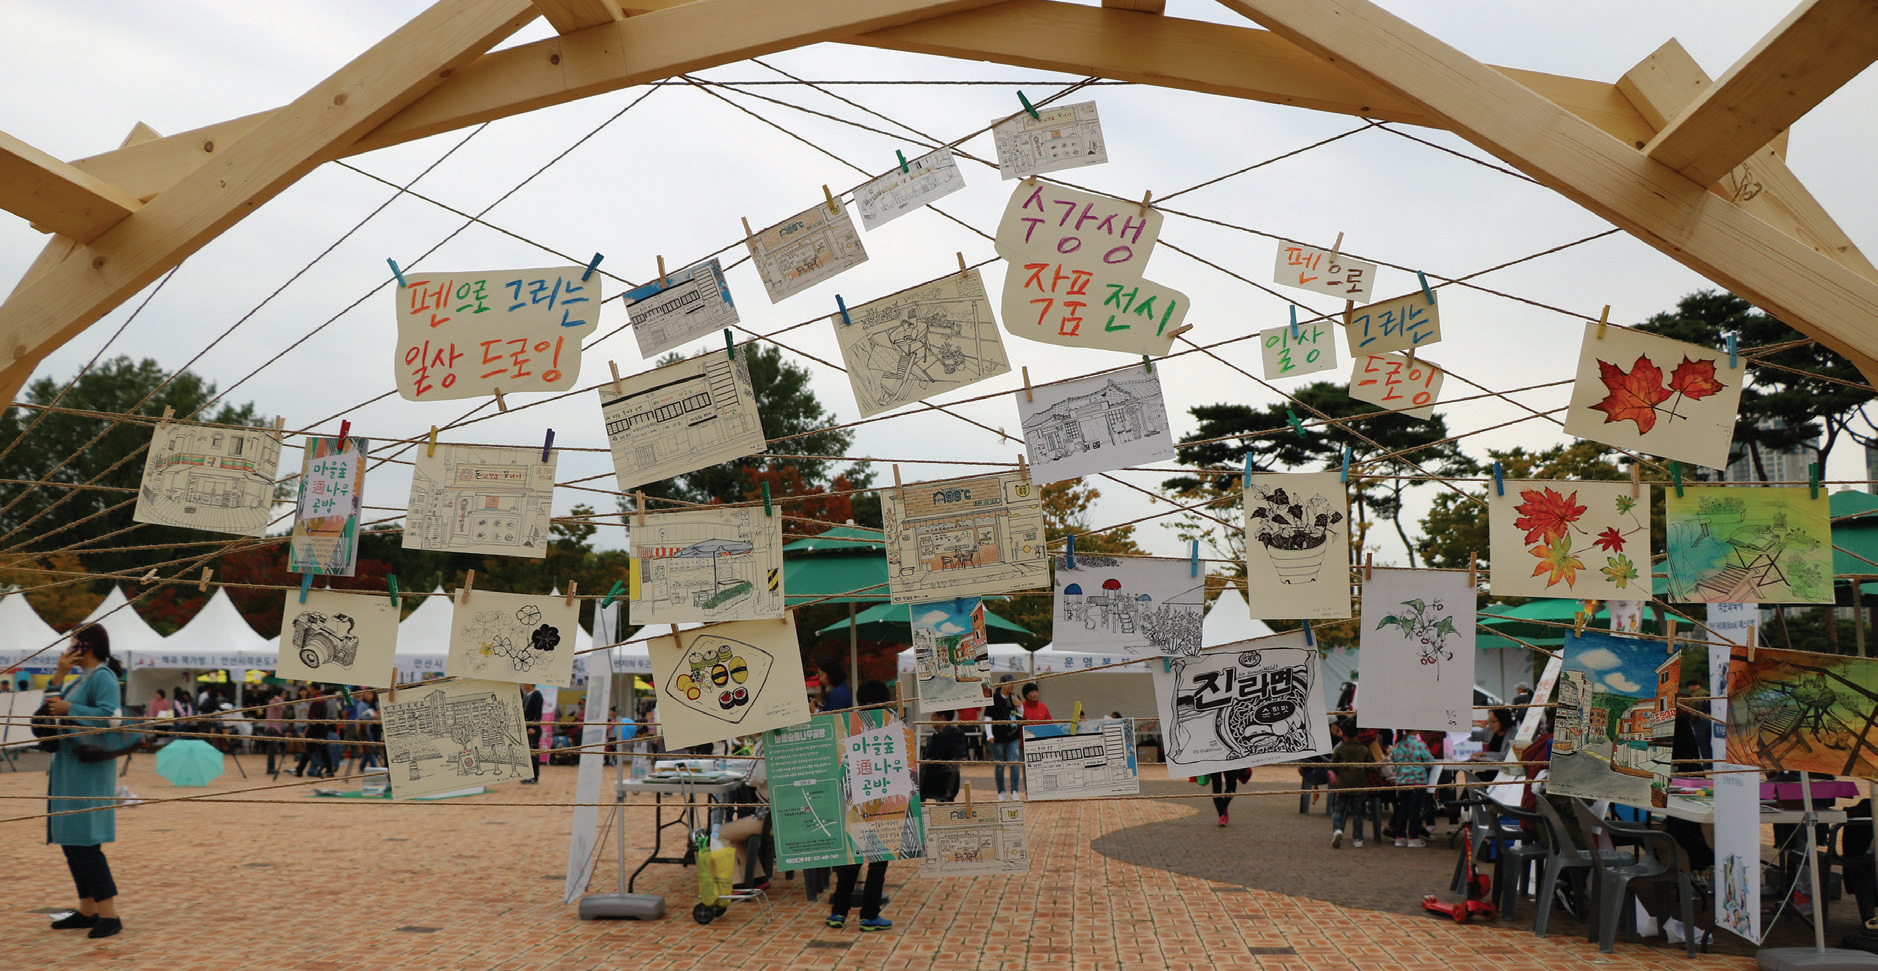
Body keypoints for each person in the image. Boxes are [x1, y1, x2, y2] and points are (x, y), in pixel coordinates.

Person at [43, 625, 126, 938]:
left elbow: (110, 718)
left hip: (88, 770)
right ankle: (87, 909)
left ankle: (109, 914)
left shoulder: (103, 677)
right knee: (71, 840)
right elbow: (49, 710)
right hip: (68, 767)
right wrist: (57, 678)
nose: (68, 648)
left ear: (86, 646)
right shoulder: (79, 679)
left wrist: (71, 708)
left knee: (86, 842)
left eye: (73, 643)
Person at [827, 680, 895, 932]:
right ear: (884, 700)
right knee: (878, 862)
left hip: (853, 804)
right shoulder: (891, 725)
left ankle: (838, 913)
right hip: (882, 806)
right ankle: (869, 915)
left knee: (851, 861)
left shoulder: (848, 726)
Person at [1329, 718, 1372, 848]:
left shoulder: (1340, 748)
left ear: (1343, 733)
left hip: (1343, 784)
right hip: (1359, 785)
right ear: (1358, 732)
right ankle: (1358, 839)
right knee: (1357, 813)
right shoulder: (1364, 749)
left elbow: (1333, 765)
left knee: (1338, 810)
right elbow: (1369, 766)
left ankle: (1337, 830)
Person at [1388, 729, 1435, 847]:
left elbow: (1393, 759)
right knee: (1415, 810)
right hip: (1418, 782)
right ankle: (1413, 837)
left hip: (1402, 781)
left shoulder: (1397, 745)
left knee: (1403, 809)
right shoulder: (1420, 745)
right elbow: (1429, 761)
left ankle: (1400, 836)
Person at [986, 677, 1022, 800]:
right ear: (1001, 684)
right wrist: (989, 734)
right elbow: (988, 718)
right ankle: (1001, 791)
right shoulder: (994, 698)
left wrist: (1020, 706)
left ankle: (1014, 791)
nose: (1012, 685)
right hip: (997, 738)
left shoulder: (1015, 697)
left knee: (1015, 763)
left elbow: (1020, 717)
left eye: (1013, 683)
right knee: (999, 765)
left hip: (1013, 736)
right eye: (1009, 683)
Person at [919, 710, 966, 802]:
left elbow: (932, 757)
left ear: (942, 718)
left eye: (933, 716)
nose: (931, 720)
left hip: (937, 780)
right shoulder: (956, 734)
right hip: (948, 782)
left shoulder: (943, 737)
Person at [521, 683, 544, 783]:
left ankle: (534, 777)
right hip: (526, 728)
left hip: (533, 729)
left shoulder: (537, 694)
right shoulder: (526, 695)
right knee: (528, 754)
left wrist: (533, 726)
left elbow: (538, 712)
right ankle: (528, 775)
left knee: (533, 753)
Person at [261, 689, 287, 775]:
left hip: (270, 727)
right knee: (272, 749)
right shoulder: (276, 701)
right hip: (273, 727)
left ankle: (271, 768)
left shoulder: (271, 701)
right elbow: (283, 707)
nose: (285, 695)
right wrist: (279, 699)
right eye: (284, 693)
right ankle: (270, 769)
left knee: (272, 749)